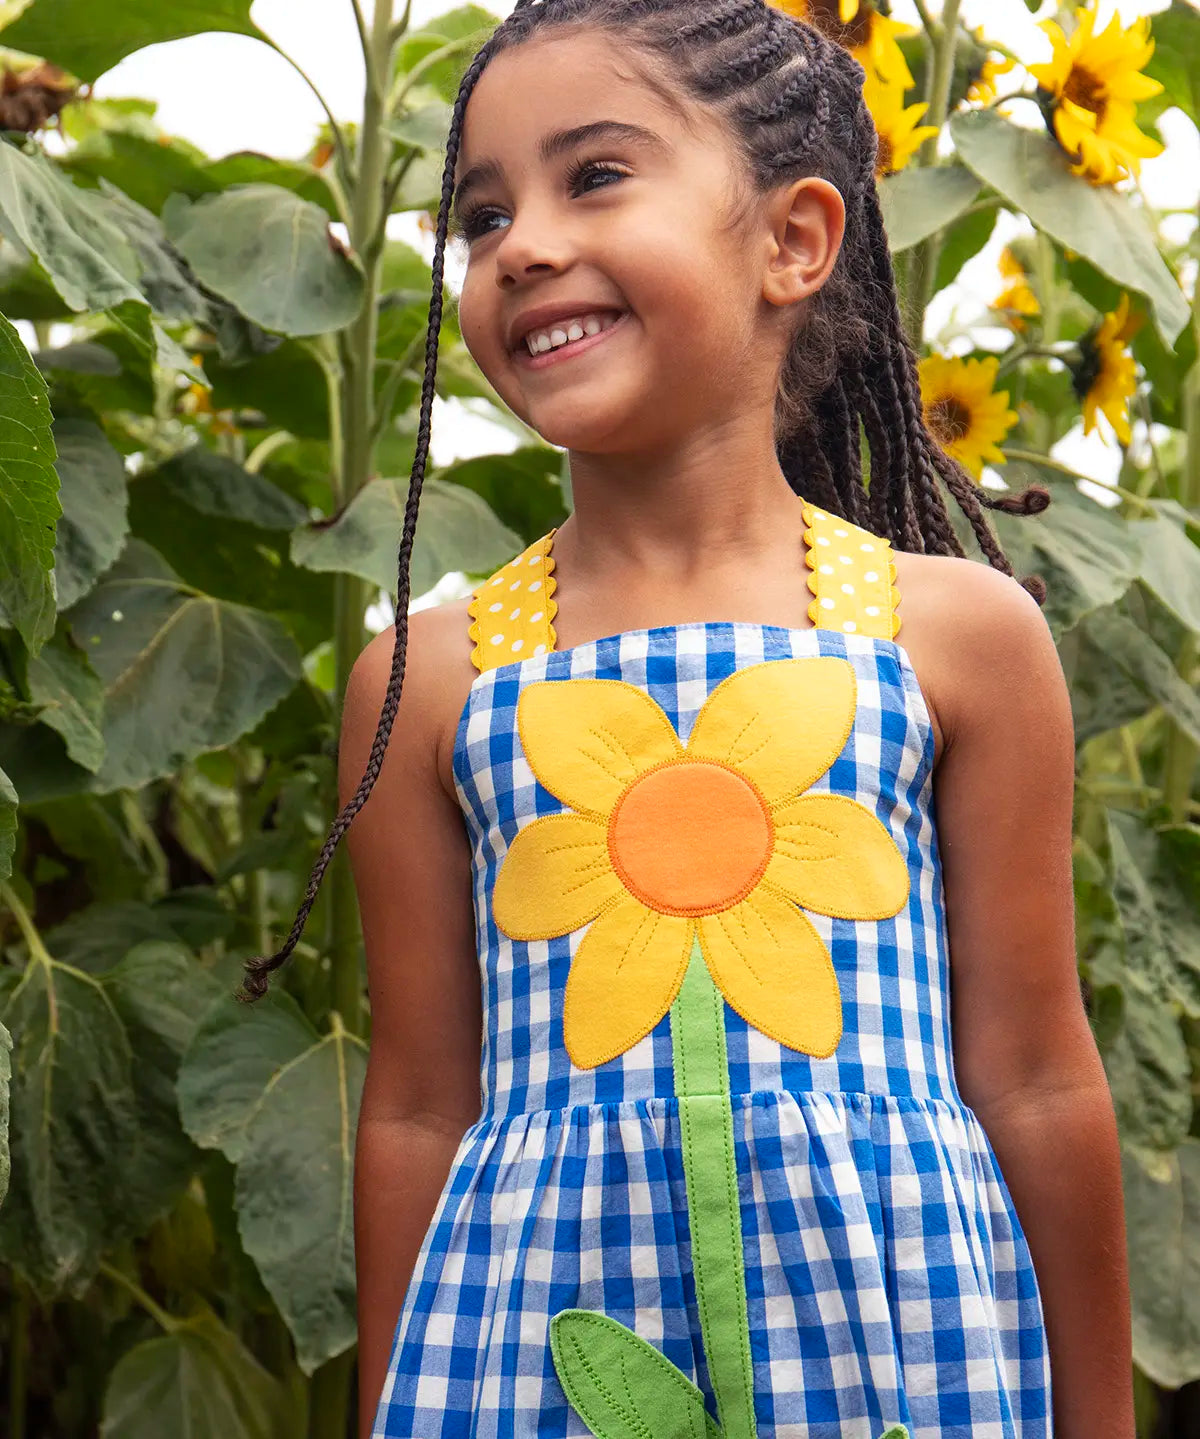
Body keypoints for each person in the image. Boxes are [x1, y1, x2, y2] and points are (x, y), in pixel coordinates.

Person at [240, 1, 1133, 1435]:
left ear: (794, 240)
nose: (522, 245)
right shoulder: (431, 679)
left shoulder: (958, 639)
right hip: (539, 1370)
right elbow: (415, 1110)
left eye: (594, 176)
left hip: (901, 1366)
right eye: (482, 215)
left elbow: (1035, 1080)